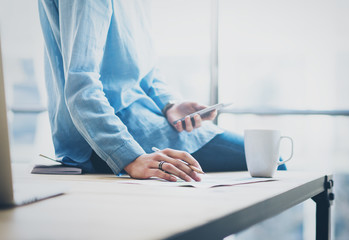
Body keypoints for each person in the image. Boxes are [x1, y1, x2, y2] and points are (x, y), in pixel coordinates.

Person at [38, 0, 248, 182]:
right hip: (109, 137)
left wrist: (169, 105)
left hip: (146, 124)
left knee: (267, 159)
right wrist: (129, 157)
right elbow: (81, 86)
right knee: (268, 160)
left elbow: (146, 71)